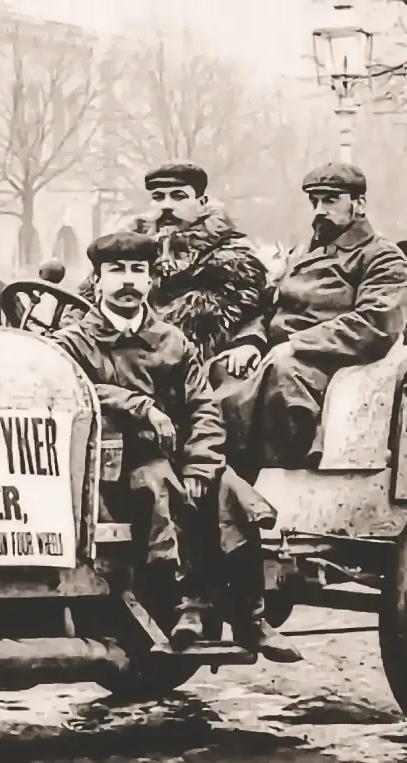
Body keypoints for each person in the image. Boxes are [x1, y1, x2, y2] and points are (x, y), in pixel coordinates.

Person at [53, 230, 301, 661]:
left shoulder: (172, 340)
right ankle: (188, 607)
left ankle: (251, 618)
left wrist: (201, 465)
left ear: (150, 280)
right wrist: (139, 406)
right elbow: (72, 388)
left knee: (230, 492)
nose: (128, 281)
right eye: (116, 271)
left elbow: (203, 406)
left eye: (137, 271)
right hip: (112, 468)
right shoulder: (73, 342)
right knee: (160, 485)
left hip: (176, 456)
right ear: (97, 281)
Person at [215, 163, 407, 479]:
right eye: (315, 202)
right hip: (276, 354)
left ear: (359, 204)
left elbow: (376, 323)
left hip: (330, 364)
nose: (320, 210)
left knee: (281, 377)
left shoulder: (382, 257)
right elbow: (268, 306)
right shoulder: (302, 253)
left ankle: (270, 477)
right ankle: (215, 474)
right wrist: (250, 342)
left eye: (331, 200)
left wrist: (297, 345)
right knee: (219, 369)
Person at [71, 162, 267, 365]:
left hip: (200, 367)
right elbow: (81, 305)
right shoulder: (124, 252)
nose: (166, 206)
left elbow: (257, 314)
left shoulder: (232, 260)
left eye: (178, 196)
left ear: (201, 203)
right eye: (158, 197)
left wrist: (249, 342)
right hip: (115, 363)